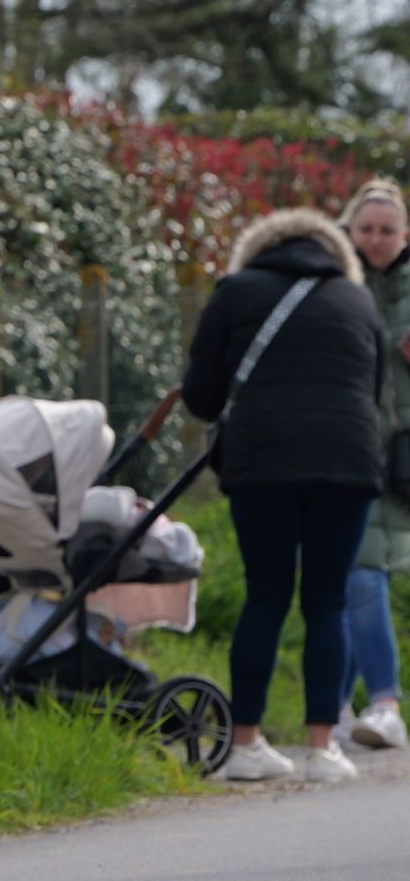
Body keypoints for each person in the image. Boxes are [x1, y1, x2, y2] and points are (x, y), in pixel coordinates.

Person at [180, 205, 389, 784]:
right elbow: (373, 389)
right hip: (345, 461)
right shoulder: (357, 300)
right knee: (328, 601)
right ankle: (323, 749)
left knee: (265, 596)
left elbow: (201, 396)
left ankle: (246, 744)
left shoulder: (235, 291)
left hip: (262, 461)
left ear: (257, 249)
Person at [342, 180, 410, 752]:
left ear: (405, 234)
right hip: (345, 448)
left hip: (402, 457)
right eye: (366, 229)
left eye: (387, 230)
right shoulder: (335, 282)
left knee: (361, 573)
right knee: (354, 574)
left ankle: (382, 703)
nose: (376, 239)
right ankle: (346, 705)